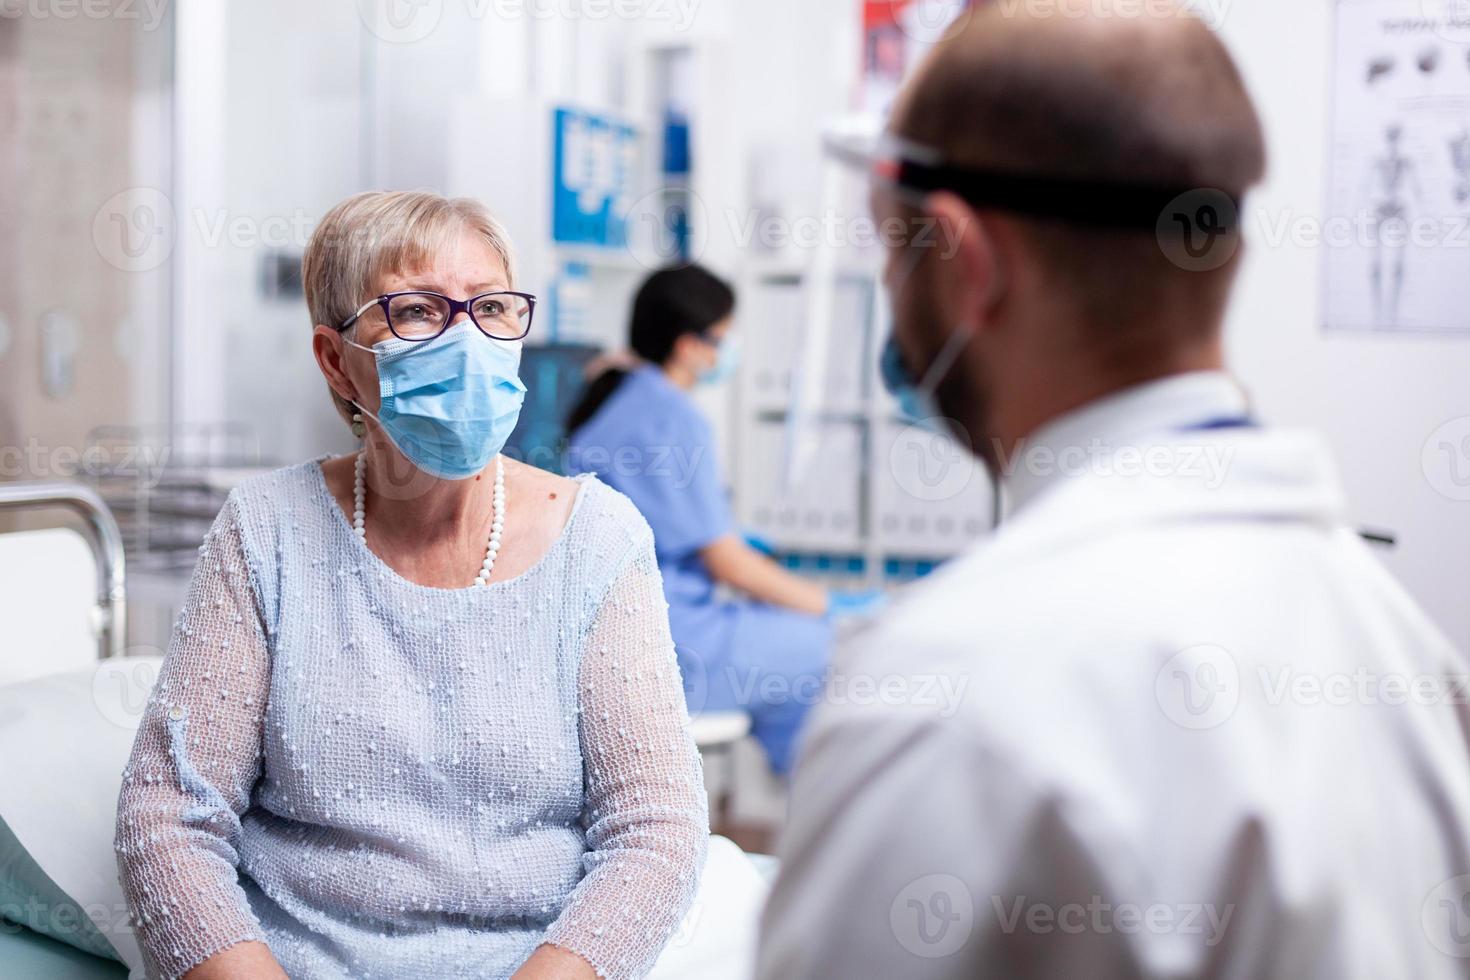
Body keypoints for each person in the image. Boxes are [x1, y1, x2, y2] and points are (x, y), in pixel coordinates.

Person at [758, 4, 1470, 979]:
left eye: (895, 252)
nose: (892, 291)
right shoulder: (1406, 652)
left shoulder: (943, 691)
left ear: (967, 262)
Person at [114, 191, 707, 980]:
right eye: (419, 312)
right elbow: (169, 818)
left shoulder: (598, 541)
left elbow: (656, 831)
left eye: (492, 308)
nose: (467, 341)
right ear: (336, 360)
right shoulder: (267, 531)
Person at [566, 265, 880, 776]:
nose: (729, 352)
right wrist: (836, 606)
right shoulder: (670, 416)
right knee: (829, 649)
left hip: (626, 639)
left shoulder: (622, 397)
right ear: (690, 345)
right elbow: (729, 565)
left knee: (792, 655)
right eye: (724, 338)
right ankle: (820, 818)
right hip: (670, 648)